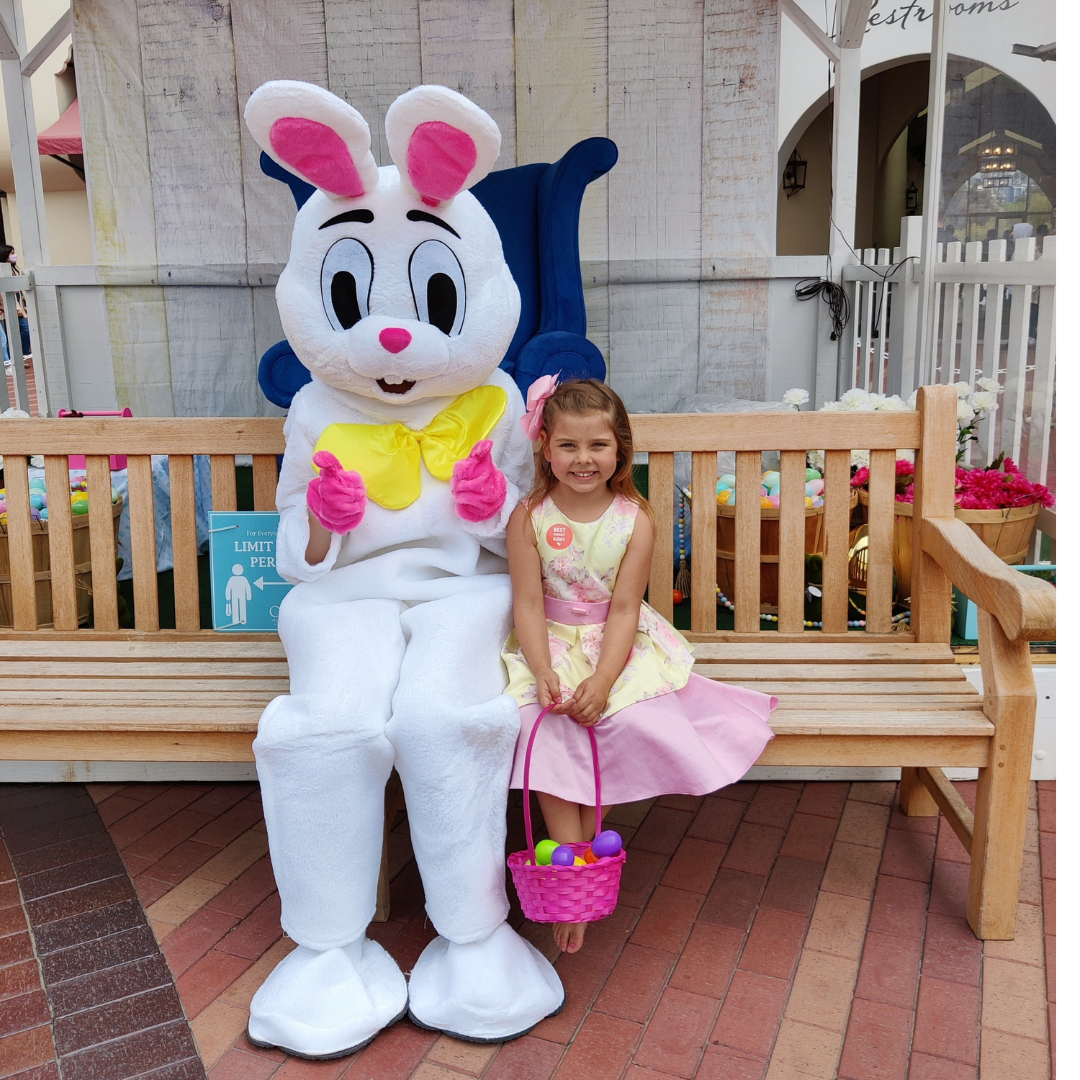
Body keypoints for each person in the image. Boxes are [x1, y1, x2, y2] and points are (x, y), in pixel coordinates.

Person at [503, 378, 777, 955]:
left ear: (620, 450)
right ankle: (573, 869)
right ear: (545, 446)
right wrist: (541, 667)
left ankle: (576, 873)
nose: (583, 460)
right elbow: (527, 603)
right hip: (547, 640)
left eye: (598, 445)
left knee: (610, 718)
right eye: (569, 446)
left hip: (615, 642)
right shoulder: (528, 516)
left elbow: (625, 607)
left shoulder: (635, 518)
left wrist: (602, 680)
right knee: (546, 720)